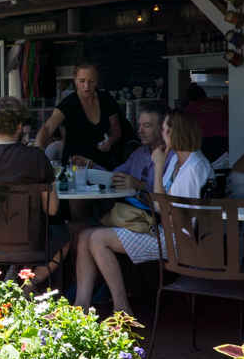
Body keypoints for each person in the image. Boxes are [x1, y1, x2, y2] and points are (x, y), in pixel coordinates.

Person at [73, 109, 212, 316]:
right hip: (166, 227)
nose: (164, 135)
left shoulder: (194, 166)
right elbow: (159, 205)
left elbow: (174, 217)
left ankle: (122, 309)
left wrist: (157, 169)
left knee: (97, 238)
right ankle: (80, 306)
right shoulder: (176, 160)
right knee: (86, 235)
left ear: (176, 132)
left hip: (180, 238)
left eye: (165, 130)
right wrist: (159, 169)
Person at [0, 96, 70, 291]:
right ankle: (26, 290)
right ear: (20, 125)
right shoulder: (36, 158)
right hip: (32, 248)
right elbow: (52, 210)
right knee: (68, 235)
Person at [35, 61, 121, 171]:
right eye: (82, 81)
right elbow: (47, 129)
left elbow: (116, 130)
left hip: (100, 166)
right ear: (75, 80)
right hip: (75, 167)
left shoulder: (106, 100)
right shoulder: (68, 103)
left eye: (92, 81)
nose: (87, 86)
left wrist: (110, 141)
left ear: (98, 80)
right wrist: (37, 151)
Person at [110, 101, 172, 203]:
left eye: (147, 126)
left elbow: (171, 196)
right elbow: (114, 176)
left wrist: (141, 186)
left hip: (156, 215)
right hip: (132, 211)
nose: (140, 131)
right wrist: (91, 167)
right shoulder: (138, 153)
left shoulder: (173, 156)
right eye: (140, 125)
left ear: (163, 128)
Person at [185, 83, 229, 162]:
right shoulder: (222, 103)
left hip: (204, 140)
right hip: (225, 138)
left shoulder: (192, 107)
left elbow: (186, 125)